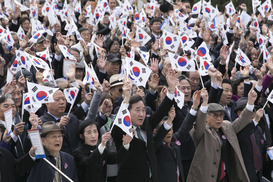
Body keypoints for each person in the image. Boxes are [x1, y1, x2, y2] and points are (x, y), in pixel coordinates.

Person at [111, 70, 177, 182]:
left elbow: (161, 112)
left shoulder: (146, 124)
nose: (141, 114)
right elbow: (117, 126)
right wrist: (126, 98)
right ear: (128, 111)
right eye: (137, 110)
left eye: (143, 110)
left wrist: (171, 89)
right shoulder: (122, 129)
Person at [186, 88, 257, 182]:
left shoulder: (226, 126)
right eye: (215, 115)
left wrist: (250, 103)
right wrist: (204, 104)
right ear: (206, 117)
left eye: (221, 115)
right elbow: (199, 125)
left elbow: (241, 121)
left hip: (227, 176)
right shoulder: (201, 130)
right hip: (206, 177)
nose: (219, 119)